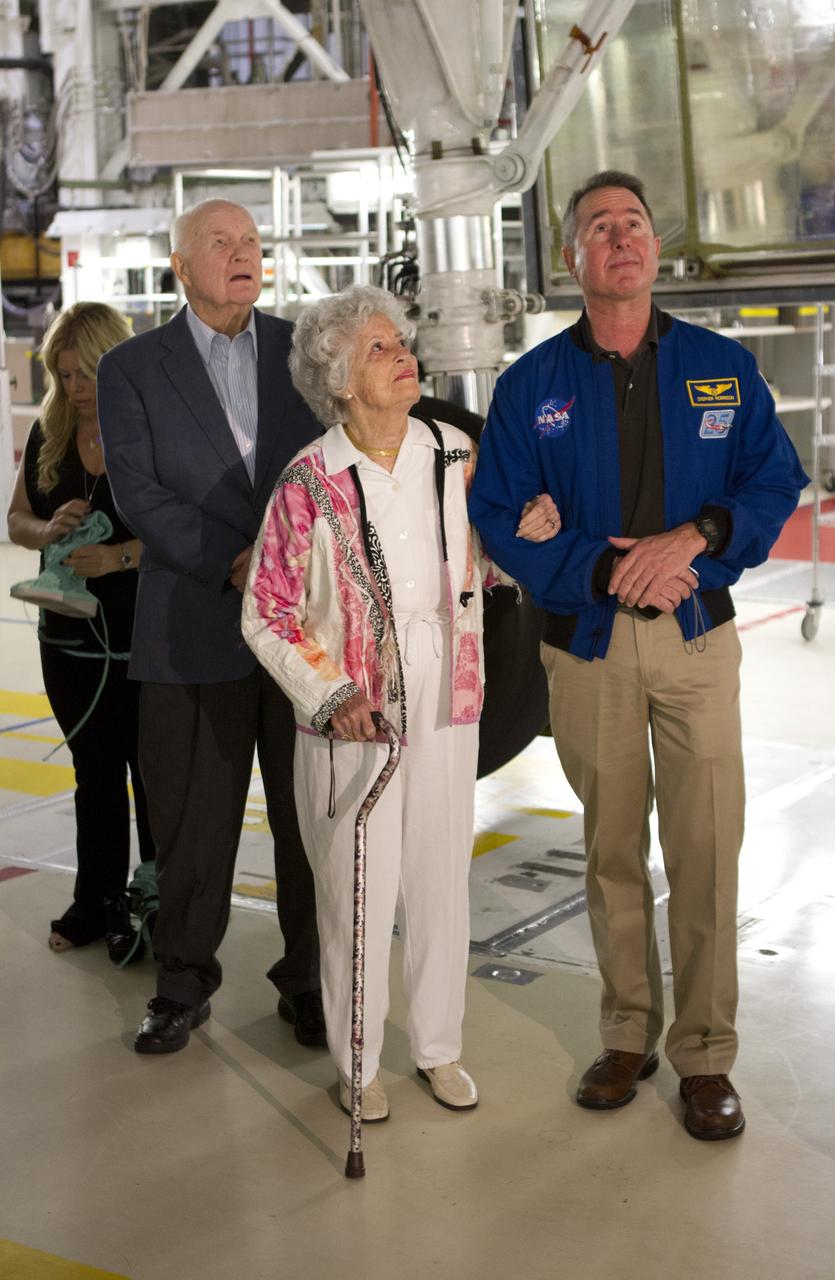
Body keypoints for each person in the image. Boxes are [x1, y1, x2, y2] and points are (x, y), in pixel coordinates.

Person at [469, 170, 809, 1141]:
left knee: (703, 846)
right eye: (596, 228)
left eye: (633, 224)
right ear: (570, 259)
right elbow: (499, 513)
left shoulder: (720, 367)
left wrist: (693, 538)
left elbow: (771, 479)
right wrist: (602, 567)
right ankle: (626, 1032)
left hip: (697, 637)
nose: (619, 239)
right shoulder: (529, 387)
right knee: (612, 843)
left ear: (654, 249)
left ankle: (704, 1054)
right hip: (586, 647)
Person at [242, 284, 558, 1120]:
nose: (401, 354)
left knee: (438, 880)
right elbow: (267, 610)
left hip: (449, 694)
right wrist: (332, 692)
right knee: (357, 891)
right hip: (356, 714)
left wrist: (527, 530)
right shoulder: (308, 481)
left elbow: (488, 565)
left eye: (399, 341)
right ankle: (358, 1065)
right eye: (378, 348)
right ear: (340, 379)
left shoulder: (457, 453)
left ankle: (437, 1049)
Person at [96, 199, 324, 1055]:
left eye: (253, 243)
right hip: (192, 621)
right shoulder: (131, 368)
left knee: (309, 819)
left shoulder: (304, 352)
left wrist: (279, 568)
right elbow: (138, 491)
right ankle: (182, 981)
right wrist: (239, 561)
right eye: (220, 244)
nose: (242, 255)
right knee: (193, 822)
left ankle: (307, 980)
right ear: (180, 266)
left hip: (302, 627)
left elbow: (333, 466)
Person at [7, 301, 155, 963]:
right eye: (63, 375)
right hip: (65, 638)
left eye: (86, 373)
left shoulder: (153, 430)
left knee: (152, 777)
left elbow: (194, 531)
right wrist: (50, 531)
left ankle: (157, 898)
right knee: (93, 772)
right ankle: (95, 898)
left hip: (142, 633)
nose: (74, 388)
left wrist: (121, 556)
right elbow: (17, 521)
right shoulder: (51, 432)